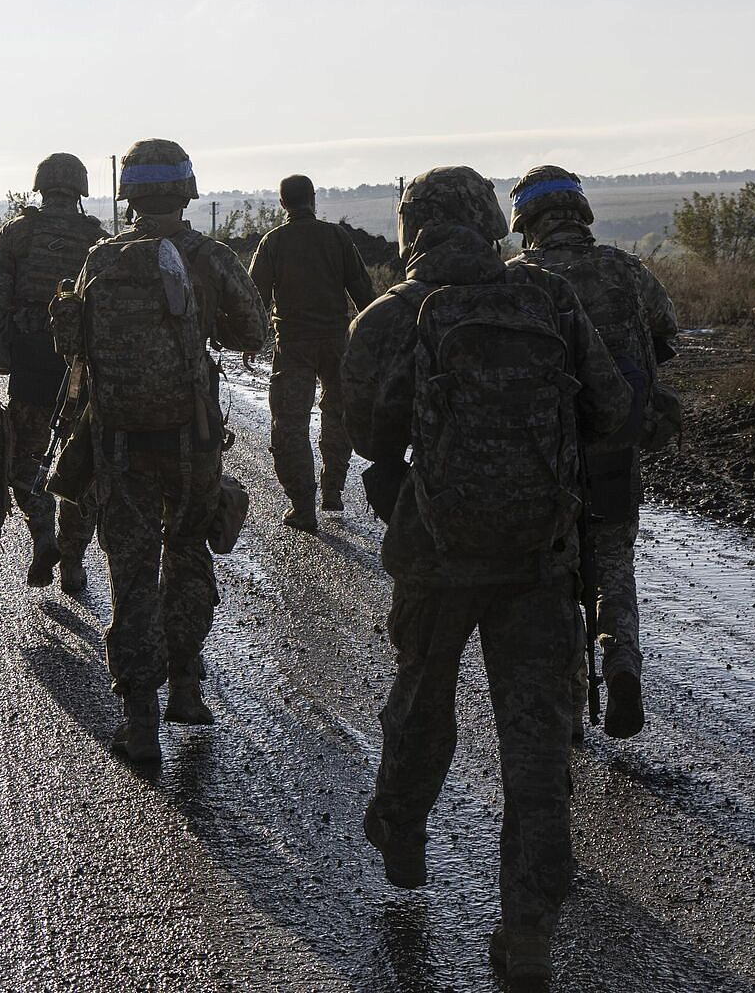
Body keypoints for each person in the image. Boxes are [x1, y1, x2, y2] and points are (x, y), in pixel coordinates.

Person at [340, 166, 630, 990]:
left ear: (414, 227)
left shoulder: (391, 314)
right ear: (488, 222)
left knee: (422, 699)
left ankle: (402, 830)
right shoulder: (548, 298)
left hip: (436, 556)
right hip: (538, 555)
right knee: (535, 745)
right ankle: (528, 930)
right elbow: (612, 409)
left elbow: (367, 437)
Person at [62, 139, 268, 763]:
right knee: (187, 551)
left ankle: (141, 723)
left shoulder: (100, 259)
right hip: (192, 438)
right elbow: (255, 332)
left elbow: (76, 346)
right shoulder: (209, 256)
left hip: (120, 439)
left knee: (131, 574)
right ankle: (186, 687)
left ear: (128, 194)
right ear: (185, 190)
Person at [507, 165, 681, 741]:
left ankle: (569, 699)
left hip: (544, 455)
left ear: (526, 221)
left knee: (554, 573)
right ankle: (622, 661)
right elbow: (667, 329)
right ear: (580, 212)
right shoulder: (624, 269)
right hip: (615, 442)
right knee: (613, 560)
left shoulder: (516, 280)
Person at [0, 154, 106, 593]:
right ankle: (73, 562)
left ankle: (43, 533)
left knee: (24, 459)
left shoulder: (18, 233)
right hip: (82, 369)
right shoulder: (97, 240)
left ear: (41, 186)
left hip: (30, 366)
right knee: (80, 466)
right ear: (80, 189)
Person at [247, 174, 377, 531]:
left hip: (293, 345)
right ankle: (333, 487)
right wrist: (372, 343)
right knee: (337, 413)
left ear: (282, 203)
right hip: (337, 341)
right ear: (313, 199)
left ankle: (303, 507)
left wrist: (250, 340)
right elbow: (364, 293)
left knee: (290, 424)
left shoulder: (274, 241)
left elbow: (254, 299)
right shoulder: (337, 237)